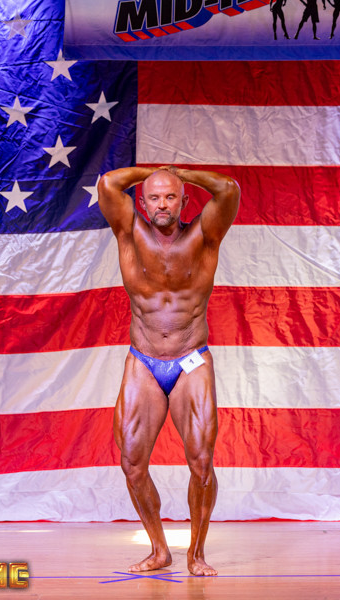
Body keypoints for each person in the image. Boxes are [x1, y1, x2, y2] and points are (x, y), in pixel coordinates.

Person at [97, 166, 240, 577]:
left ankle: (196, 553)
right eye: (155, 197)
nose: (163, 204)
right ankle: (160, 550)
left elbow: (228, 189)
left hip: (191, 359)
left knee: (201, 462)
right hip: (143, 360)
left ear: (184, 201)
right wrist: (156, 173)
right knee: (132, 462)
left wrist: (179, 173)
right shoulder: (129, 231)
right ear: (142, 203)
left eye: (171, 196)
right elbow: (108, 183)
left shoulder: (204, 235)